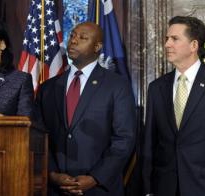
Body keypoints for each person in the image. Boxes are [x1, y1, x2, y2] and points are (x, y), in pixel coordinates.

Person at [34, 22, 136, 196]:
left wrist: (95, 178)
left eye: (82, 38)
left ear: (97, 46)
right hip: (55, 189)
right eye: (72, 35)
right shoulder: (48, 88)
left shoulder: (117, 86)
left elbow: (124, 139)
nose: (74, 41)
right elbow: (39, 136)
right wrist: (52, 174)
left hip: (99, 189)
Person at [142, 16, 205, 196]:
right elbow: (149, 146)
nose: (167, 44)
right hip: (164, 188)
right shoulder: (156, 88)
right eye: (166, 39)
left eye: (174, 39)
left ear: (194, 45)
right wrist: (147, 190)